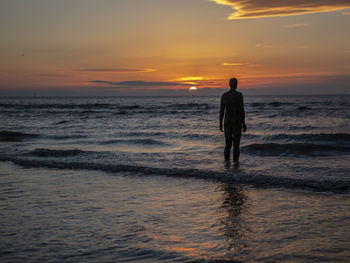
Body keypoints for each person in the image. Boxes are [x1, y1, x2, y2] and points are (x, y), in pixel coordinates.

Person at [220, 78, 247, 164]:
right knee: (236, 145)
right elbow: (242, 110)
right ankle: (235, 163)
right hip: (236, 121)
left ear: (229, 84)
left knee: (228, 144)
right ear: (236, 84)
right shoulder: (239, 95)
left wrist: (220, 123)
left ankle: (227, 163)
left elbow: (222, 111)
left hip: (227, 121)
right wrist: (244, 123)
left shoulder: (224, 95)